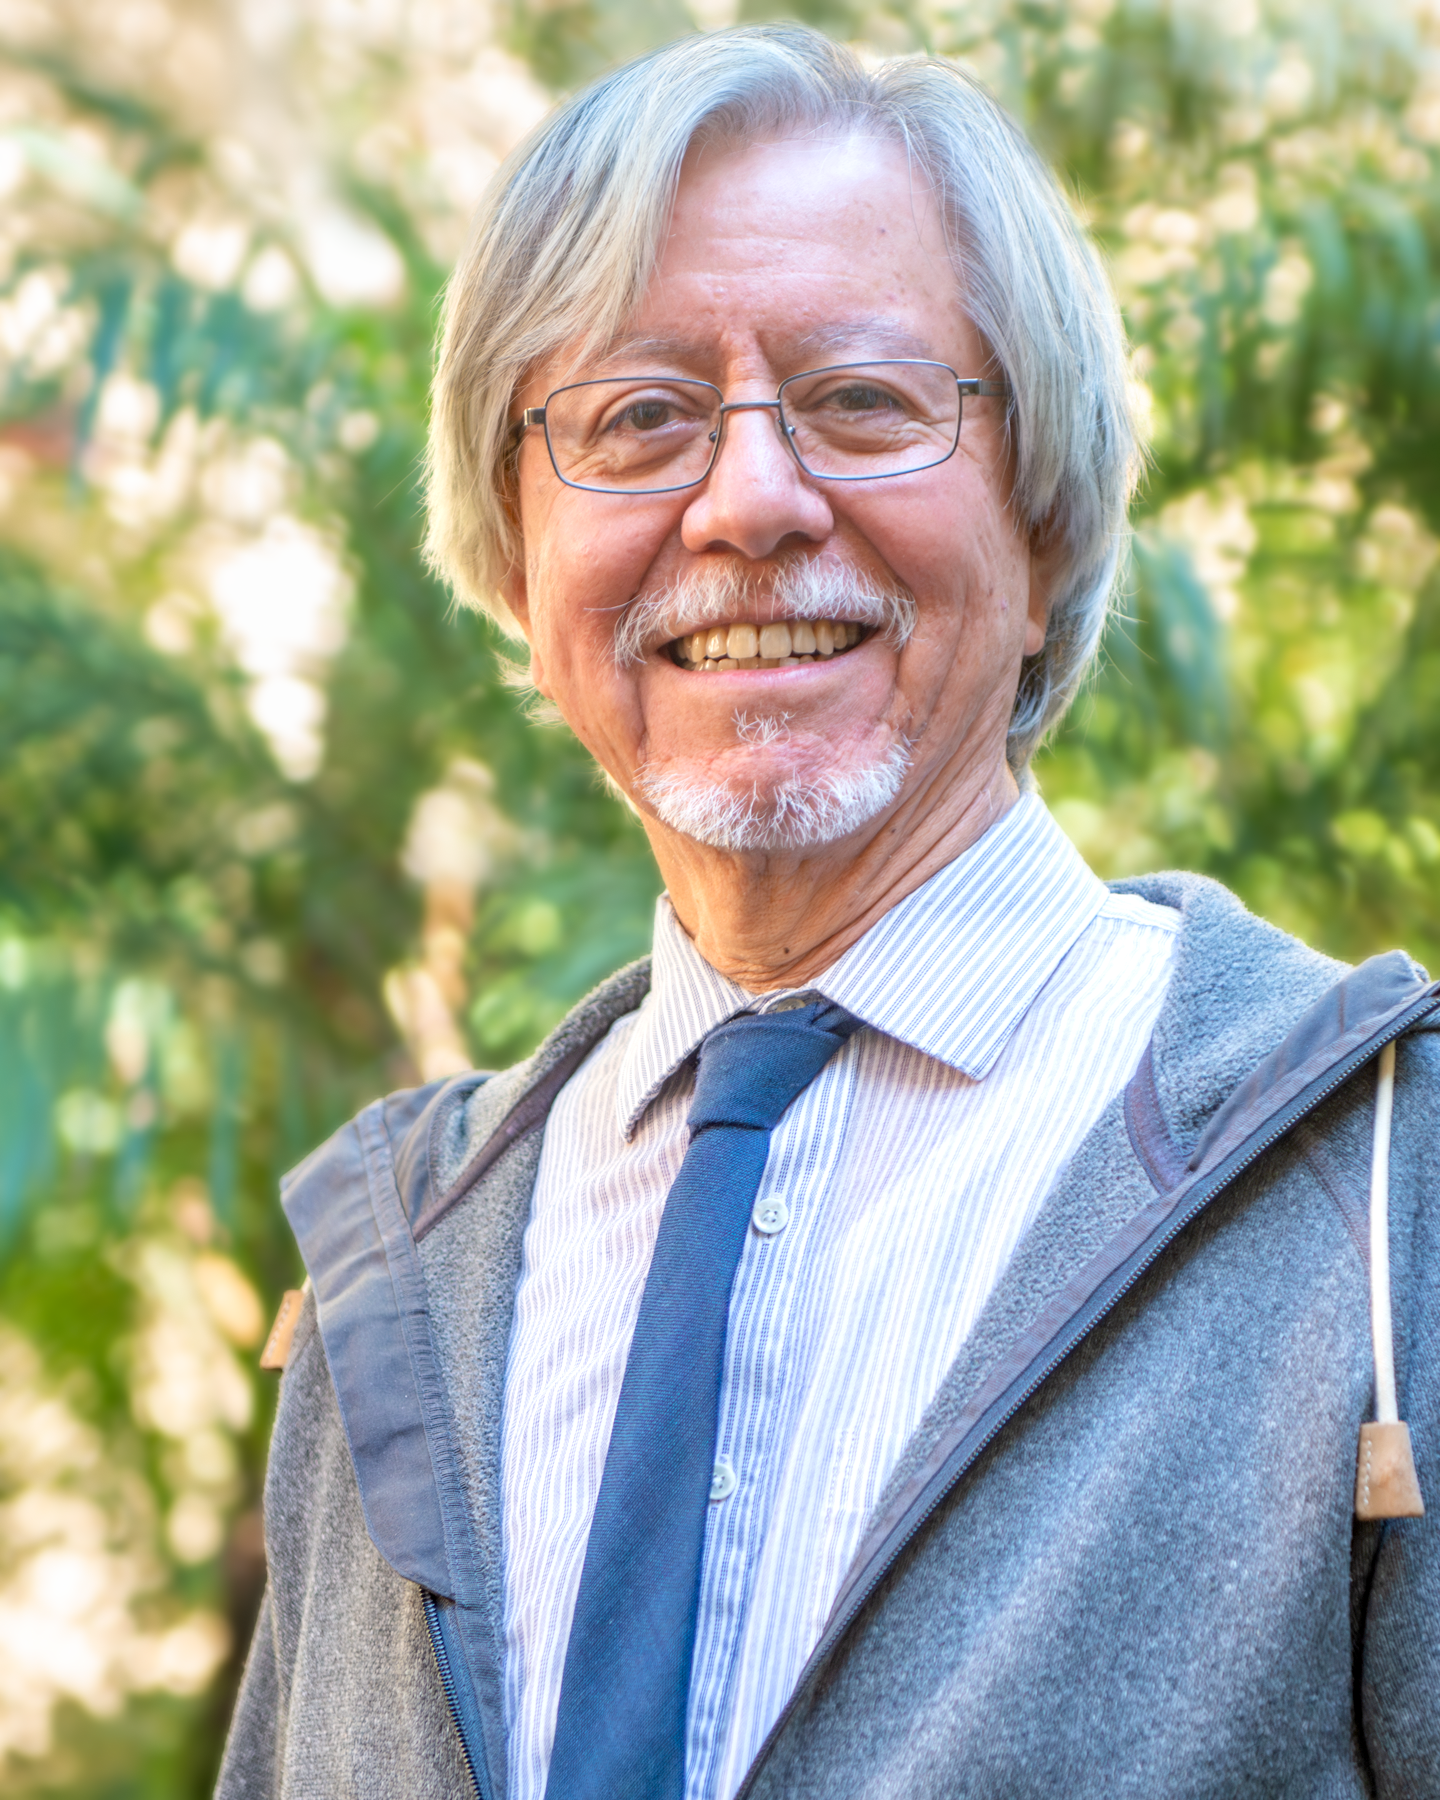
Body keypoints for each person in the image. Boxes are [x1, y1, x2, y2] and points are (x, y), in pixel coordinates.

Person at [217, 25, 1439, 1800]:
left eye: (863, 400)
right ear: (520, 559)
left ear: (1044, 522)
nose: (749, 501)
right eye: (637, 418)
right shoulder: (391, 1284)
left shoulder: (1390, 1191)